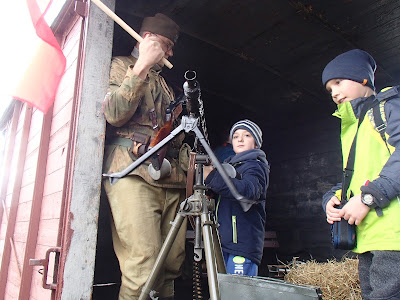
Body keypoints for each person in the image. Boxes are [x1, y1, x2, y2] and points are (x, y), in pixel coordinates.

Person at [102, 13, 189, 300]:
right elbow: (114, 114)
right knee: (144, 268)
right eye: (166, 44)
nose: (170, 52)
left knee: (170, 266)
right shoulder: (120, 66)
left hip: (170, 177)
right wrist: (141, 65)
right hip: (132, 173)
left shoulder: (165, 84)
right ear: (148, 39)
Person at [321, 49, 400, 299]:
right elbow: (354, 177)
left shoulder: (389, 108)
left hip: (393, 236)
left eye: (338, 82)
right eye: (329, 89)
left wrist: (368, 198)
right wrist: (331, 200)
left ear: (362, 79)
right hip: (368, 238)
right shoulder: (353, 126)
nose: (334, 92)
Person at [204, 119, 270, 276]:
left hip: (241, 243)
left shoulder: (255, 165)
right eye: (235, 136)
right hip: (228, 242)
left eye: (247, 135)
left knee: (239, 292)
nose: (240, 139)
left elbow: (248, 191)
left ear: (256, 144)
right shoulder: (233, 165)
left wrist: (213, 177)